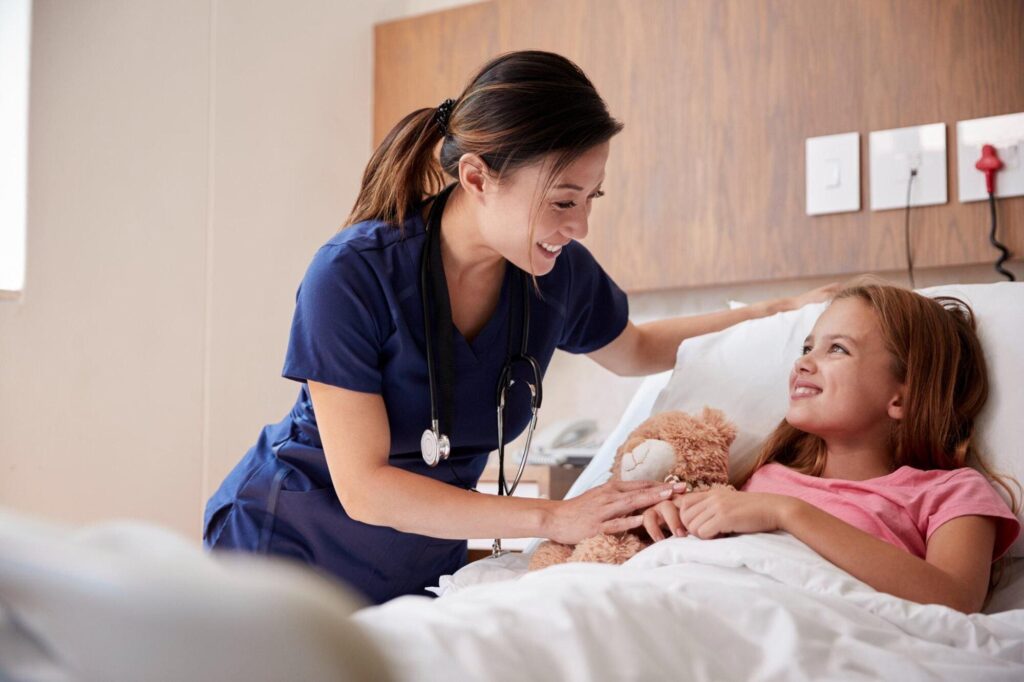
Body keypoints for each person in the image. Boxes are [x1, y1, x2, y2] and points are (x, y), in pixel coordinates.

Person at [203, 50, 835, 605]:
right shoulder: (352, 274)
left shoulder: (554, 275)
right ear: (477, 177)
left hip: (418, 569)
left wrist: (772, 314)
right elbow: (366, 489)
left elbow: (634, 348)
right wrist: (556, 517)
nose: (581, 225)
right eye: (564, 200)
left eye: (592, 199)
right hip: (285, 555)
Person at [641, 282, 1021, 613]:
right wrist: (675, 521)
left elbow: (955, 599)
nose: (804, 362)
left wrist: (787, 512)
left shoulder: (950, 493)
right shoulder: (766, 476)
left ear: (901, 398)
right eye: (807, 348)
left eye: (837, 349)